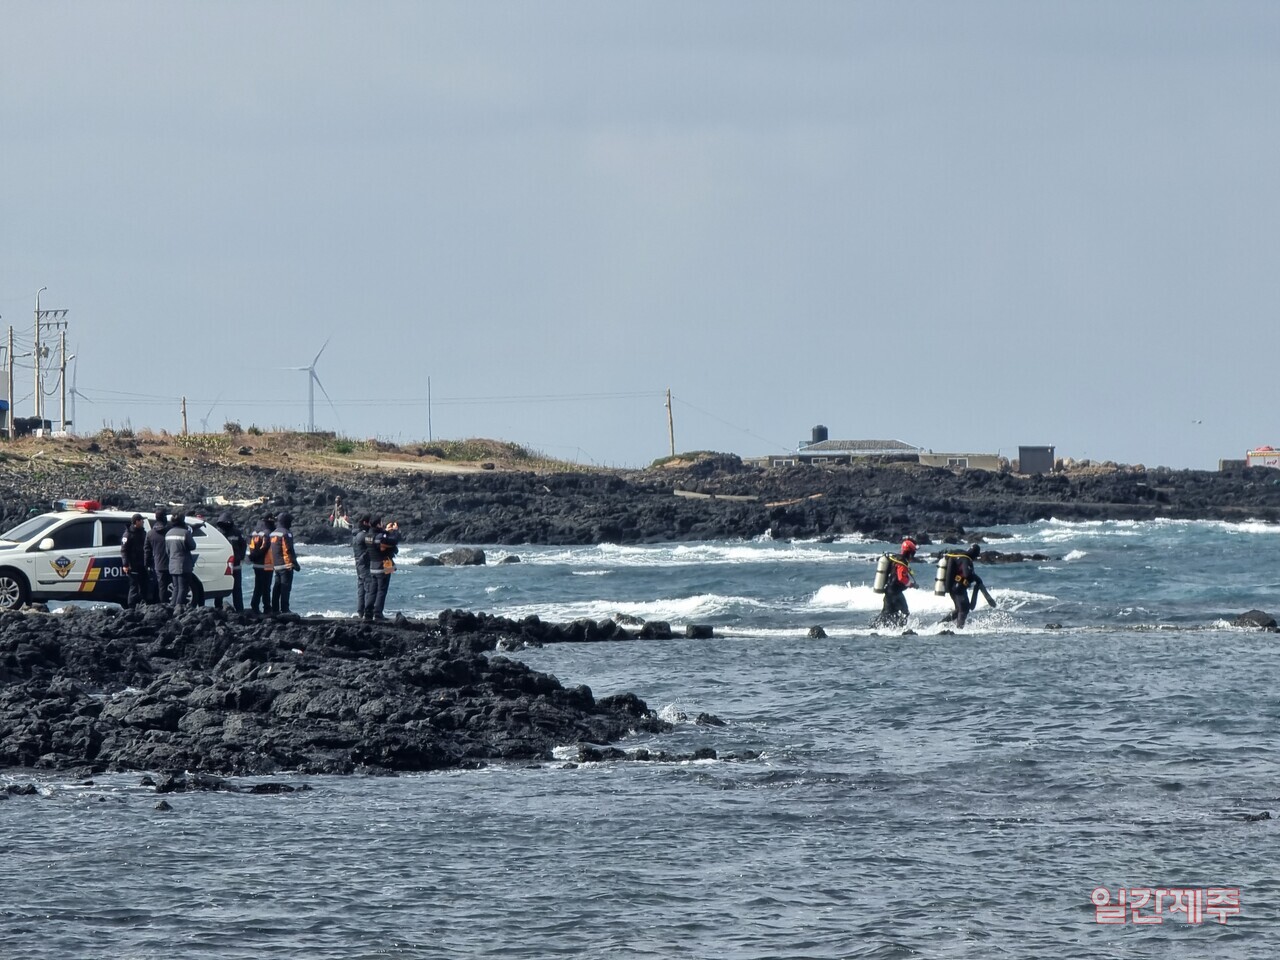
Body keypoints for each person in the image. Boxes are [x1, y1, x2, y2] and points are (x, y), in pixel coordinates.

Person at [874, 538, 918, 628]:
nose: (913, 556)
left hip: (889, 590)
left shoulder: (896, 559)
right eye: (913, 553)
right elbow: (901, 578)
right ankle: (899, 629)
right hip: (895, 592)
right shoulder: (901, 563)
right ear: (909, 553)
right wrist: (911, 584)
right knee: (905, 612)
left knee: (887, 613)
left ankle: (875, 627)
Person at [942, 544, 985, 629]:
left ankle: (939, 624)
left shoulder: (960, 556)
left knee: (959, 609)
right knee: (963, 610)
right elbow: (967, 574)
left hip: (953, 587)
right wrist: (977, 579)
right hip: (958, 588)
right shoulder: (966, 559)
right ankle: (959, 630)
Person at [366, 518, 400, 621]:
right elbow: (393, 542)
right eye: (381, 523)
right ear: (378, 525)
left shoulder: (368, 536)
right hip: (383, 567)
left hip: (373, 567)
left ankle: (368, 613)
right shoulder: (380, 537)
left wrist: (386, 531)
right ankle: (378, 613)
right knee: (382, 591)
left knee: (372, 591)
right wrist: (395, 531)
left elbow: (381, 539)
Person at [213, 513, 247, 612]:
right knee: (230, 589)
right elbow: (243, 545)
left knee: (230, 588)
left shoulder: (232, 532)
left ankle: (221, 608)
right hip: (226, 565)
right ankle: (237, 609)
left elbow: (243, 545)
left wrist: (240, 556)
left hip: (230, 565)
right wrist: (241, 557)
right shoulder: (222, 533)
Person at [269, 512, 300, 614]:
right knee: (285, 588)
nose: (291, 523)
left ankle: (275, 609)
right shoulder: (287, 533)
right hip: (286, 565)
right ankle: (285, 609)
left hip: (276, 565)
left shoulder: (273, 533)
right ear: (286, 522)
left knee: (277, 587)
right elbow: (289, 549)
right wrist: (295, 564)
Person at [165, 510, 198, 607]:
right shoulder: (185, 533)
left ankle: (172, 607)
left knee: (175, 587)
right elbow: (192, 546)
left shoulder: (168, 534)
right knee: (183, 587)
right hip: (184, 565)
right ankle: (178, 608)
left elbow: (167, 551)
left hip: (172, 565)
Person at [247, 511, 275, 614]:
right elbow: (265, 547)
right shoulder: (267, 533)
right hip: (266, 564)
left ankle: (254, 606)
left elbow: (251, 547)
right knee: (266, 588)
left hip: (256, 564)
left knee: (258, 587)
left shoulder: (254, 532)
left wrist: (252, 557)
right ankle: (267, 608)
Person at [120, 513, 148, 609]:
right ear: (137, 521)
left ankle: (143, 605)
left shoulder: (143, 533)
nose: (143, 522)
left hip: (142, 564)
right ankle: (131, 607)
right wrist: (125, 564)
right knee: (133, 587)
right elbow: (124, 551)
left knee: (144, 586)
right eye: (141, 520)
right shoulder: (128, 534)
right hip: (133, 564)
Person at [145, 509, 170, 604]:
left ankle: (164, 605)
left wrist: (146, 564)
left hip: (158, 563)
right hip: (172, 562)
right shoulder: (169, 531)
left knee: (162, 587)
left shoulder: (150, 533)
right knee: (176, 585)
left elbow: (147, 550)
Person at [352, 514, 373, 619]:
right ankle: (368, 612)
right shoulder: (364, 536)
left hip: (358, 564)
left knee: (361, 587)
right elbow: (372, 546)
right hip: (364, 564)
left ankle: (360, 611)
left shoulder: (356, 535)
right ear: (365, 523)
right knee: (369, 587)